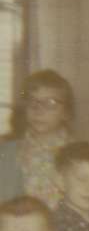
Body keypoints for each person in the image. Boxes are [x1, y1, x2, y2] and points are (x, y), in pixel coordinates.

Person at [0, 70, 74, 208]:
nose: (39, 109)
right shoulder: (8, 151)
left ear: (66, 112)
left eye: (51, 103)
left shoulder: (77, 153)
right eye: (32, 101)